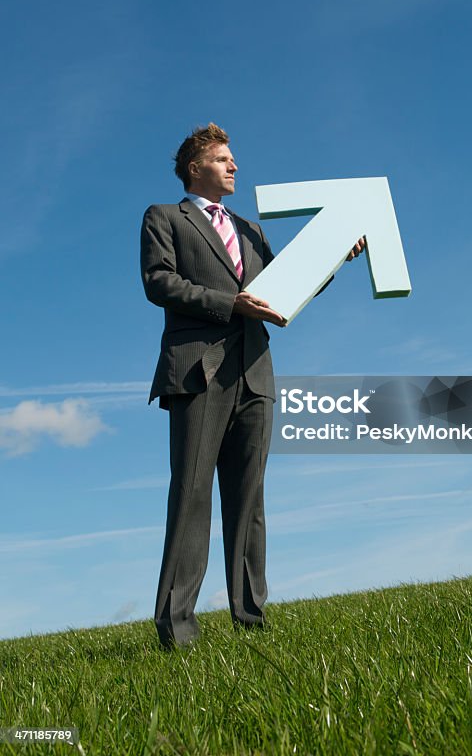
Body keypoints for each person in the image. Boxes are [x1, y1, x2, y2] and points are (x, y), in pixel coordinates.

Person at [140, 122, 364, 649]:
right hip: (197, 371)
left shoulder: (250, 229)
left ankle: (251, 623)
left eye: (233, 158)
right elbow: (159, 282)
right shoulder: (165, 217)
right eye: (222, 159)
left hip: (256, 373)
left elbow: (282, 288)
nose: (234, 165)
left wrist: (337, 255)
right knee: (191, 495)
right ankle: (177, 630)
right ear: (195, 168)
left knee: (249, 500)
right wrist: (228, 303)